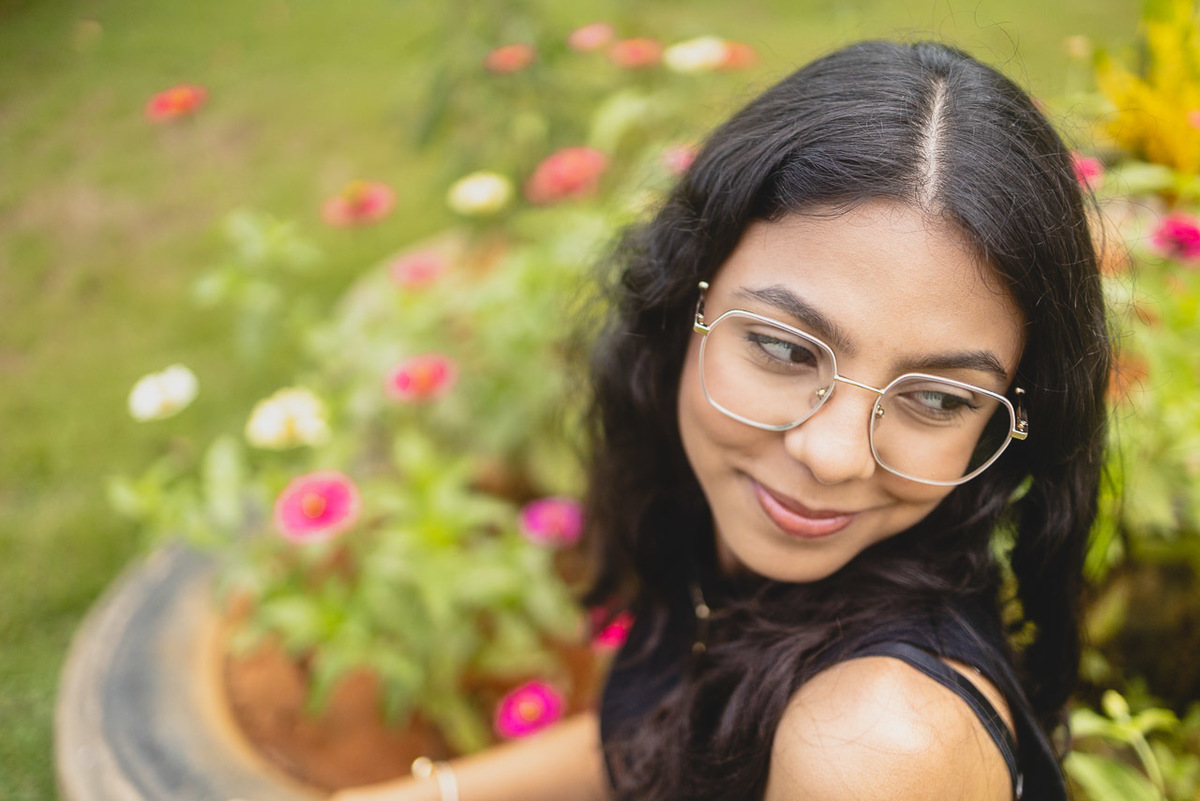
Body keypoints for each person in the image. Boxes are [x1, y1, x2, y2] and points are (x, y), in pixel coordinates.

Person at [332, 38, 1110, 801]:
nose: (833, 455)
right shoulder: (731, 531)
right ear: (685, 301)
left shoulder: (873, 746)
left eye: (938, 399)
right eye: (782, 348)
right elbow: (664, 737)